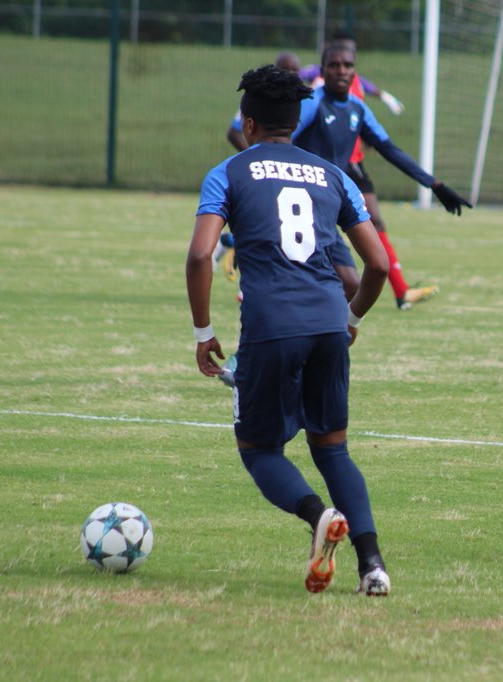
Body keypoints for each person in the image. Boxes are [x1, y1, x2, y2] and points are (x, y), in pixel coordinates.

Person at [187, 64, 393, 596]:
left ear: (248, 124)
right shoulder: (333, 175)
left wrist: (203, 331)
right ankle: (372, 566)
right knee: (333, 449)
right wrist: (350, 320)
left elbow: (200, 254)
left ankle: (318, 515)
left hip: (271, 327)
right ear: (296, 120)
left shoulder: (228, 172)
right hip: (328, 323)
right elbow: (376, 266)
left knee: (259, 450)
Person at [292, 42, 472, 310]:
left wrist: (434, 184)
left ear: (355, 72)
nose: (341, 70)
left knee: (352, 285)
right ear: (323, 70)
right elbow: (281, 140)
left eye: (347, 65)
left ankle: (325, 339)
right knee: (300, 279)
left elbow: (389, 149)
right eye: (334, 65)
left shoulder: (358, 109)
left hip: (331, 204)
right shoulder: (312, 102)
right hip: (304, 204)